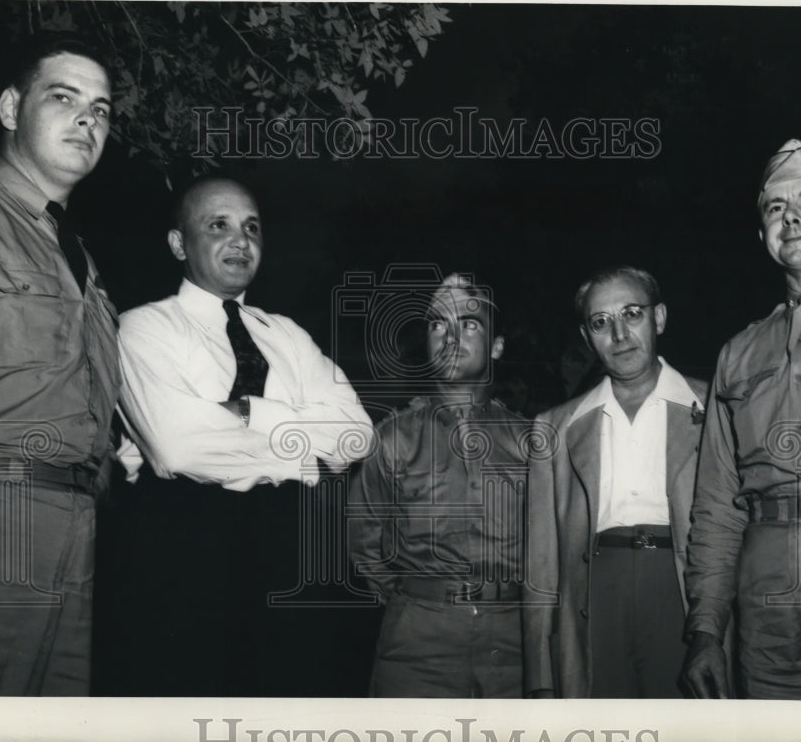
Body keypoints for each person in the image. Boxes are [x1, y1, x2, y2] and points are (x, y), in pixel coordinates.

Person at [113, 175, 372, 695]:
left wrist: (251, 411)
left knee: (295, 696)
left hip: (291, 544)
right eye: (219, 225)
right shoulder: (142, 328)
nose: (241, 240)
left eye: (252, 226)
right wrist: (301, 447)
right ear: (178, 244)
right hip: (187, 542)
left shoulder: (288, 335)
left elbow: (355, 436)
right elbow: (176, 446)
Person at [0, 32, 119, 695]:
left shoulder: (80, 259)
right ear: (8, 109)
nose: (87, 119)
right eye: (64, 98)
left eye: (102, 109)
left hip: (76, 525)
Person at [682, 139, 801, 700]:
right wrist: (706, 631)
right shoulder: (738, 353)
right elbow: (716, 505)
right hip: (764, 594)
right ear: (762, 233)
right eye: (775, 208)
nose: (791, 217)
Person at [522, 266, 709, 698]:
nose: (620, 334)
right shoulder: (554, 427)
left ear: (658, 318)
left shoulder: (714, 406)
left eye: (632, 314)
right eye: (601, 323)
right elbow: (540, 566)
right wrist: (540, 679)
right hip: (595, 594)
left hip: (682, 590)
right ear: (587, 338)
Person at [348, 274, 531, 697]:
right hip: (417, 647)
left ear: (497, 346)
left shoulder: (530, 442)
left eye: (469, 324)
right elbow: (364, 549)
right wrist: (420, 604)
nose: (449, 336)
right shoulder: (392, 439)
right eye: (437, 324)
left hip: (514, 644)